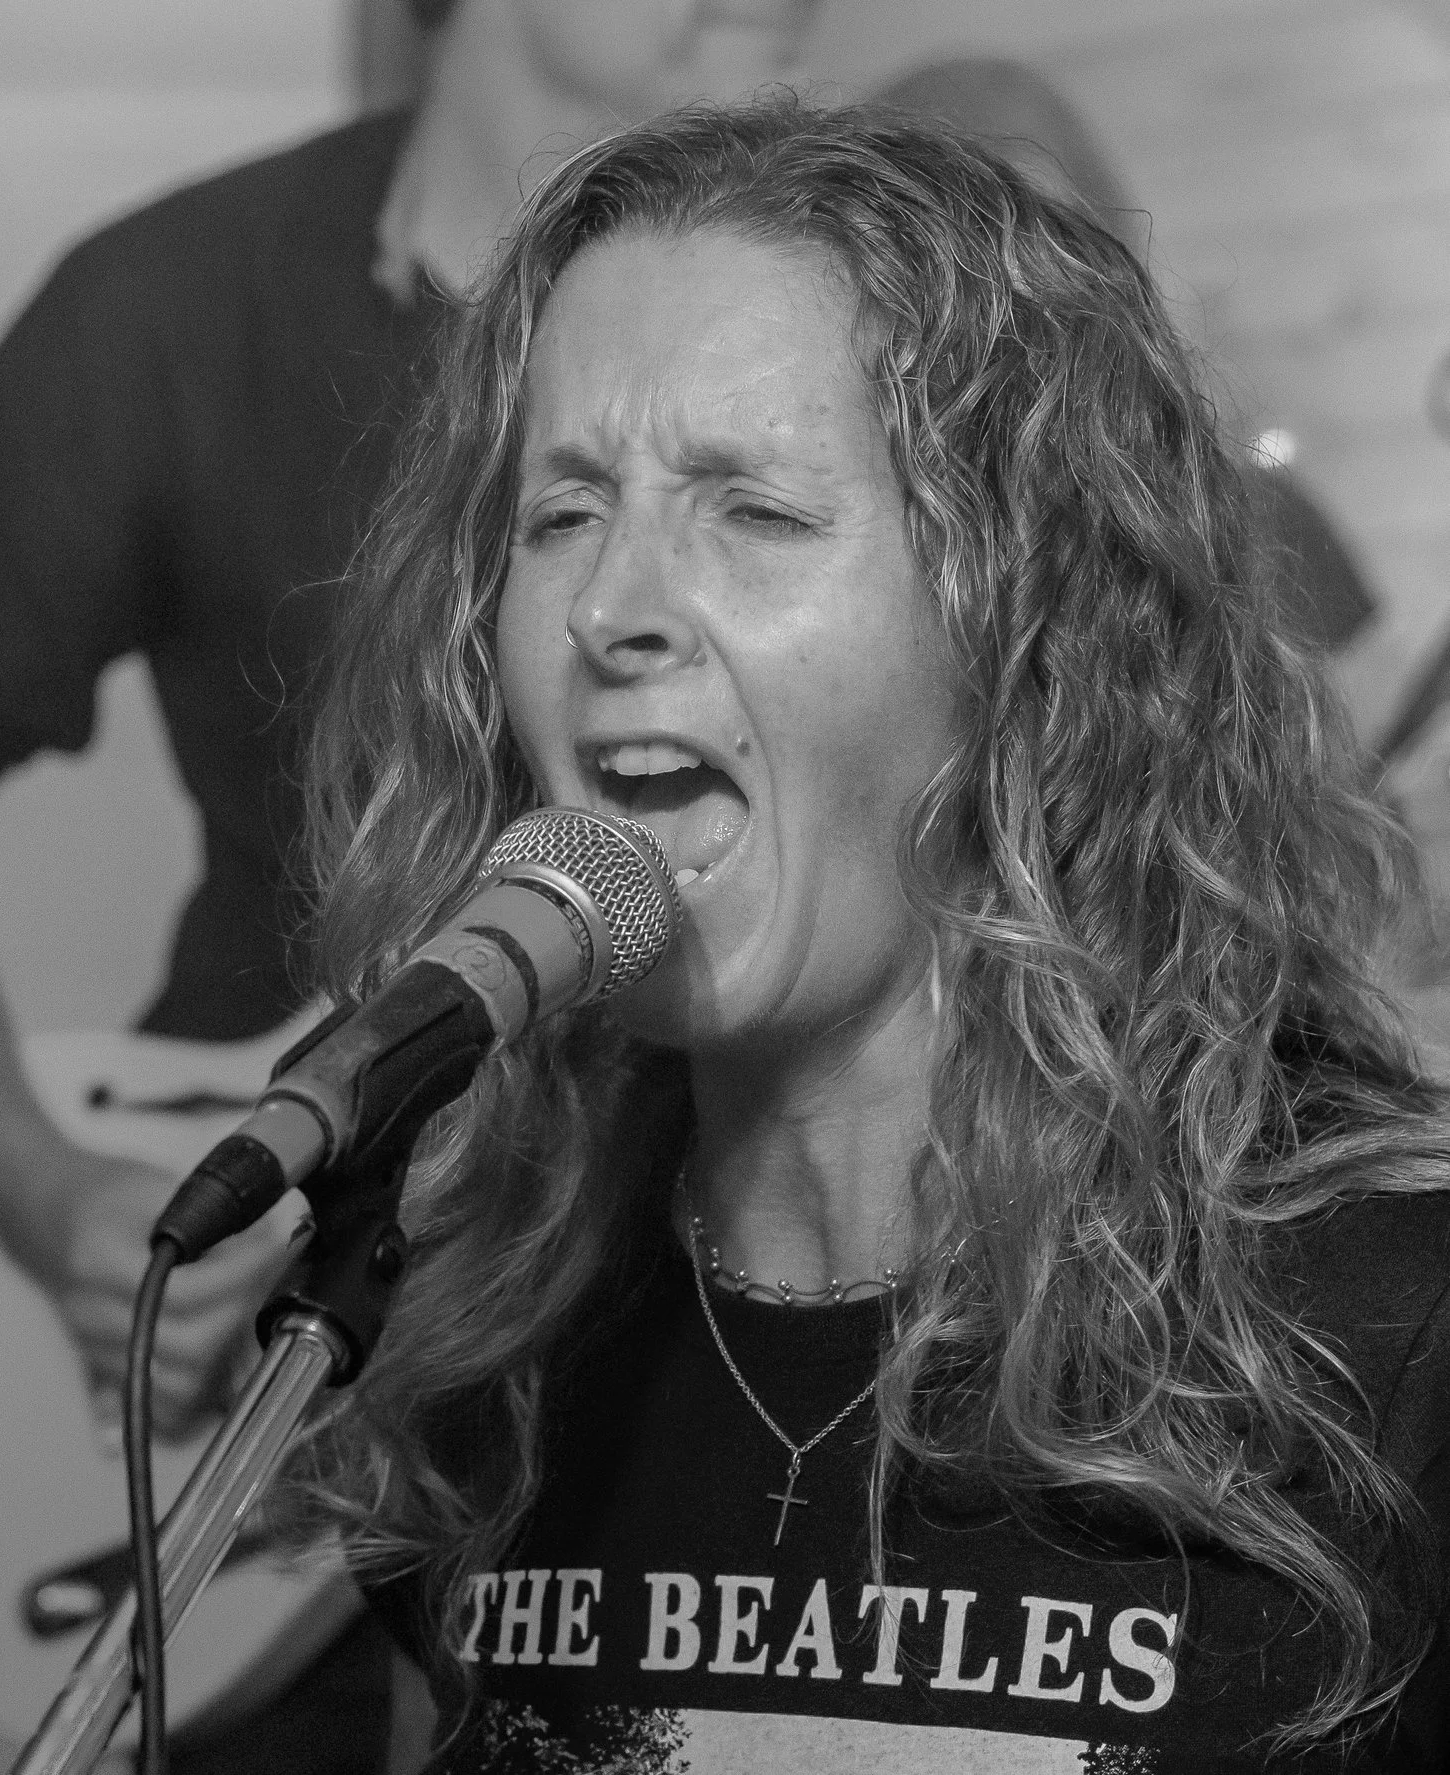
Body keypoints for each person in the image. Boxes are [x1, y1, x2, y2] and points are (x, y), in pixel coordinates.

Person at [292, 100, 1450, 1770]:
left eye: (751, 509)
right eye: (561, 514)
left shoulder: (1390, 1335)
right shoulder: (482, 1369)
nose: (614, 606)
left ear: (1027, 643)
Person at [0, 3, 814, 1765]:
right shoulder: (176, 302)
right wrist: (41, 1193)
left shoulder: (830, 314)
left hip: (685, 1324)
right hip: (282, 1333)